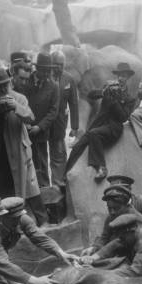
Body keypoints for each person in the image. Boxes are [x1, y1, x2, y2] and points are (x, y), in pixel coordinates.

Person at [0, 69, 49, 226]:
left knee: (29, 185)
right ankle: (9, 223)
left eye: (4, 85)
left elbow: (30, 117)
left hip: (18, 148)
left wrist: (15, 106)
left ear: (9, 83)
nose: (2, 89)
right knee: (2, 185)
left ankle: (43, 220)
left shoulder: (19, 98)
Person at [66, 63, 137, 181]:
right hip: (100, 124)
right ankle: (65, 173)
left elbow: (123, 117)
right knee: (79, 145)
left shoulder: (129, 98)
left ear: (128, 78)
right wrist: (103, 92)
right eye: (119, 75)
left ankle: (101, 168)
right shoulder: (109, 87)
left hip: (114, 128)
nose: (121, 78)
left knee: (94, 134)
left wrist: (115, 101)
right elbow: (90, 95)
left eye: (124, 76)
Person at [81, 185, 142, 259]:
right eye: (109, 208)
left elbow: (119, 242)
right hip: (137, 252)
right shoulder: (112, 216)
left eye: (116, 208)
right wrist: (94, 248)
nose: (112, 212)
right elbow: (105, 237)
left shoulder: (133, 216)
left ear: (127, 204)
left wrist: (96, 256)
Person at [25, 52, 59, 188]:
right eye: (43, 70)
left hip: (41, 133)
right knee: (27, 164)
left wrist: (39, 127)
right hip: (24, 132)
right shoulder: (25, 81)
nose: (46, 74)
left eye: (48, 71)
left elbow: (53, 111)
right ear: (37, 68)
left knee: (42, 165)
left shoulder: (54, 86)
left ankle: (46, 197)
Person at [49, 50, 79, 189]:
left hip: (60, 121)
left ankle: (59, 183)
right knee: (42, 153)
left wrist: (74, 126)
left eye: (61, 64)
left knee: (59, 152)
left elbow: (73, 103)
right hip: (44, 121)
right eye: (56, 64)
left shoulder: (69, 79)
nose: (58, 67)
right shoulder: (46, 76)